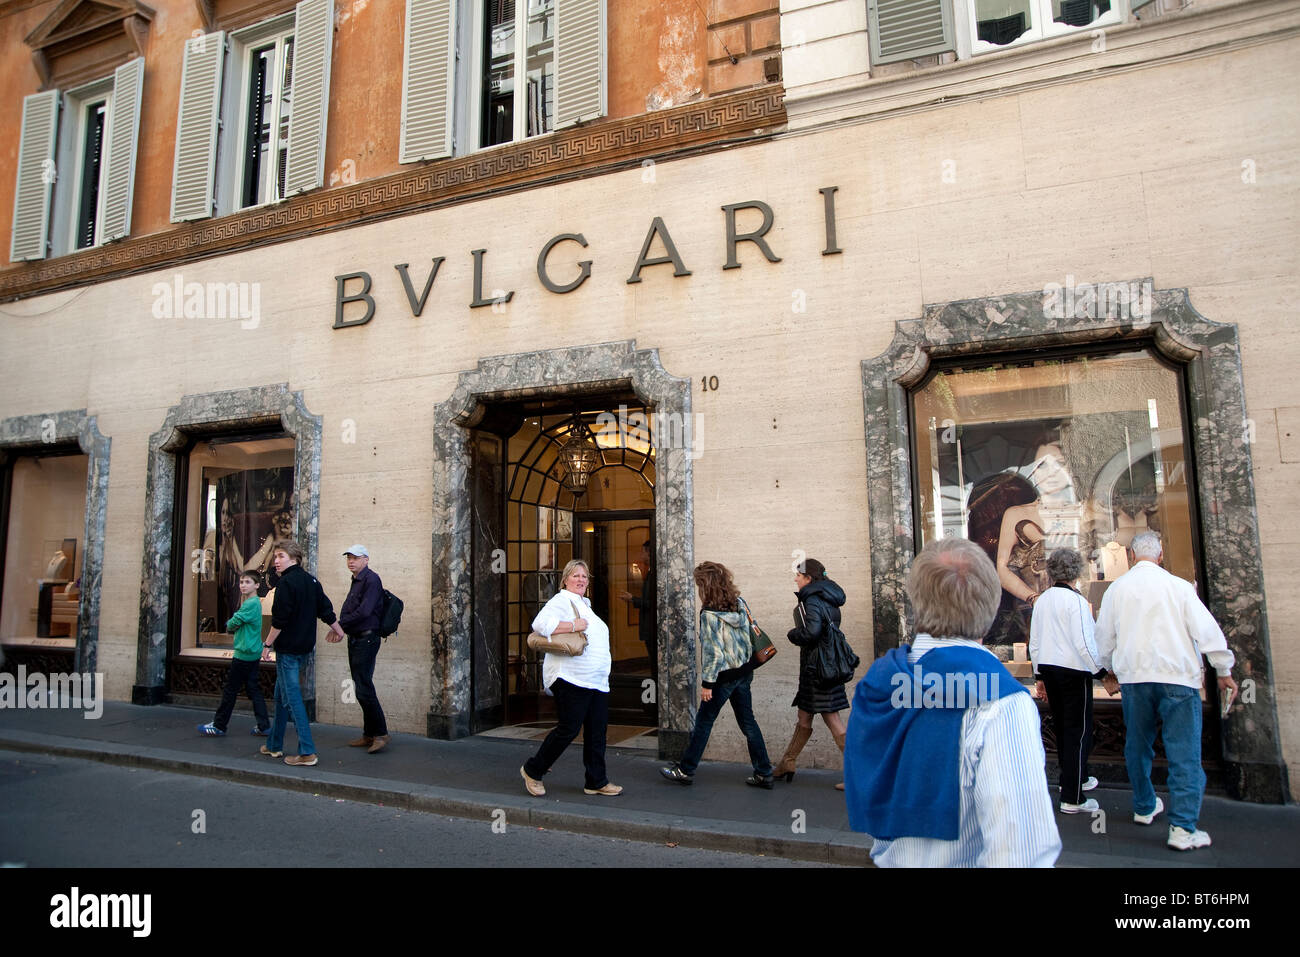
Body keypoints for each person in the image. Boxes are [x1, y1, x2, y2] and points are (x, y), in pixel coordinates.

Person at [844, 537, 1061, 867]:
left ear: (917, 601)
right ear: (990, 602)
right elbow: (1021, 850)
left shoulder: (878, 684)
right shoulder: (1001, 702)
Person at [1094, 531, 1237, 851]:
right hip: (1177, 678)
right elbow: (1207, 630)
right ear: (1160, 557)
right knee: (1184, 753)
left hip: (1135, 678)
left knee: (1137, 744)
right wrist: (1223, 670)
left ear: (1131, 556)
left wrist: (1107, 670)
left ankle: (1144, 806)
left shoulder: (1117, 589)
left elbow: (1103, 639)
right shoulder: (1179, 587)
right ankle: (1182, 827)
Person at [660, 562, 774, 788]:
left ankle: (686, 769)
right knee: (748, 722)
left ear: (705, 585)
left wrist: (707, 684)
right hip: (743, 672)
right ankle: (764, 772)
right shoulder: (739, 603)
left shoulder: (709, 614)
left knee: (704, 722)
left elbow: (713, 655)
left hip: (722, 677)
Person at [520, 560, 622, 797]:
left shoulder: (584, 604)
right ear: (565, 579)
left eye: (584, 576)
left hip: (595, 680)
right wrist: (573, 624)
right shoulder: (561, 600)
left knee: (597, 732)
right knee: (569, 729)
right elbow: (540, 624)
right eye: (575, 575)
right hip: (571, 678)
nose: (581, 580)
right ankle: (533, 770)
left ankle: (596, 781)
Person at [1029, 547, 1108, 813]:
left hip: (1050, 670)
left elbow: (1035, 643)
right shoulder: (1075, 602)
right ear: (1075, 572)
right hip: (1074, 672)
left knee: (1064, 729)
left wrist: (1038, 675)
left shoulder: (1043, 600)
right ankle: (1073, 797)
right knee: (1078, 731)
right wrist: (1102, 673)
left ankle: (1074, 780)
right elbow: (1085, 643)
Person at [260, 540, 345, 767]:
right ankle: (274, 744)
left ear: (294, 558)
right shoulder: (311, 581)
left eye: (280, 556)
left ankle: (307, 751)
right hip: (304, 648)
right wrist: (339, 630)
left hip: (288, 650)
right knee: (280, 696)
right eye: (275, 557)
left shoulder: (286, 583)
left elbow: (279, 620)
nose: (275, 561)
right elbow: (325, 609)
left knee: (292, 699)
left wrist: (267, 645)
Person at [772, 558, 849, 788]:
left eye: (798, 575)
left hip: (818, 670)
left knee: (833, 719)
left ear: (809, 578)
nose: (795, 578)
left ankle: (859, 774)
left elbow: (812, 632)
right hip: (822, 667)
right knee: (804, 717)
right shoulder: (829, 597)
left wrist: (793, 634)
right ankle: (788, 761)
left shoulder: (813, 598)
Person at [197, 570, 270, 736]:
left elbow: (232, 624)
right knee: (253, 690)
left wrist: (231, 622)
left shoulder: (250, 604)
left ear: (257, 585)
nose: (243, 585)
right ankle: (264, 725)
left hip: (243, 654)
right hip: (251, 653)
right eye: (241, 582)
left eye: (247, 582)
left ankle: (219, 725)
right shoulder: (255, 603)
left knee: (230, 691)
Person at [339, 544, 389, 754]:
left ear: (366, 559)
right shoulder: (358, 579)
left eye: (356, 558)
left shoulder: (371, 579)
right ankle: (369, 734)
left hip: (366, 639)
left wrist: (340, 624)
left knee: (364, 687)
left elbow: (364, 611)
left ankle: (380, 734)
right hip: (357, 638)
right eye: (349, 557)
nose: (351, 561)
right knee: (361, 686)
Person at [618, 541, 657, 683]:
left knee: (655, 661)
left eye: (643, 552)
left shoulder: (654, 574)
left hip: (651, 627)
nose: (641, 555)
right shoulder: (650, 572)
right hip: (649, 627)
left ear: (649, 552)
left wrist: (632, 599)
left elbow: (653, 603)